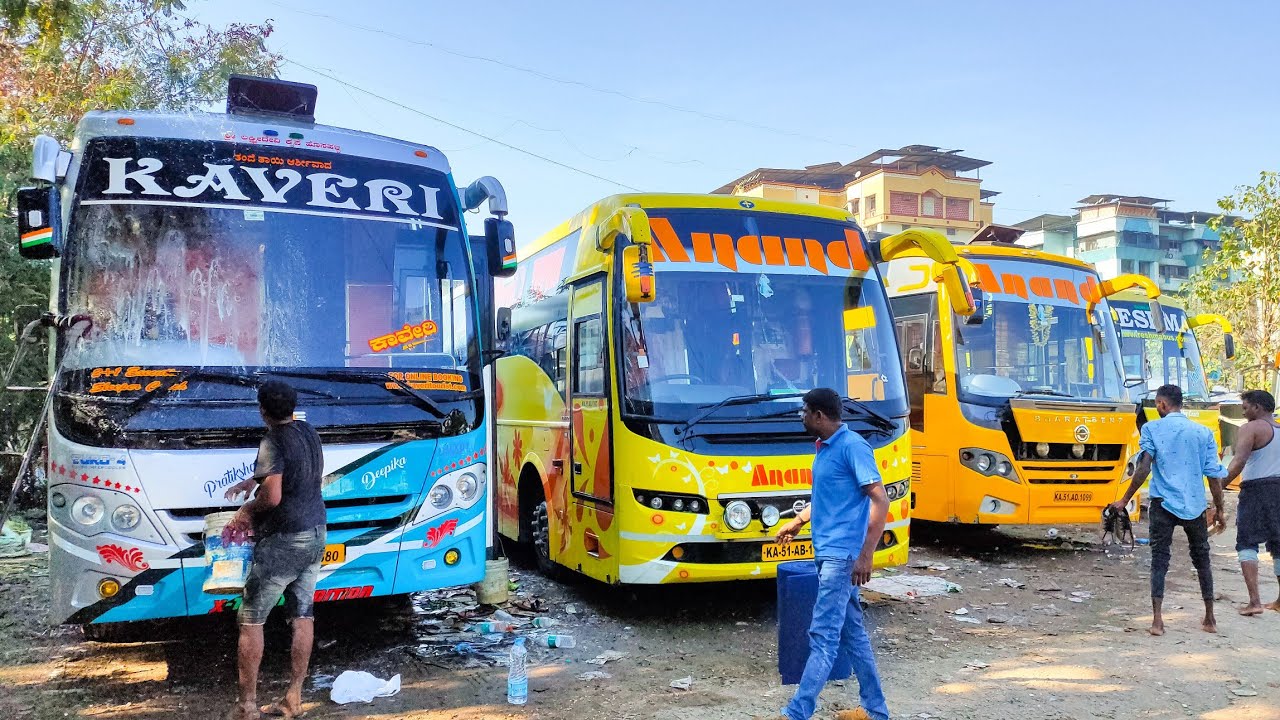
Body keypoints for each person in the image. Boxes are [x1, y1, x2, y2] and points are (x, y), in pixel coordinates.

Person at [766, 388, 890, 720]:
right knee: (853, 635)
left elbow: (881, 500)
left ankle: (797, 712)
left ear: (819, 416)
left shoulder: (853, 447)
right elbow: (828, 497)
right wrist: (797, 521)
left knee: (822, 637)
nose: (801, 417)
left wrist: (866, 555)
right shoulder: (825, 449)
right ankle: (876, 711)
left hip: (841, 558)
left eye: (804, 411)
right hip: (829, 554)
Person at [223, 381, 327, 720]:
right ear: (293, 408)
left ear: (262, 410)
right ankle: (293, 698)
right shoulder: (307, 431)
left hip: (285, 539)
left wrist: (246, 511)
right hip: (316, 533)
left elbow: (273, 497)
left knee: (251, 619)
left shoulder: (272, 440)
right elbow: (284, 471)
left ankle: (246, 707)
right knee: (302, 614)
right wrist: (250, 481)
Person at [1111, 384, 1227, 635]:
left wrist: (1124, 499)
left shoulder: (1152, 428)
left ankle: (1157, 621)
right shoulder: (1202, 433)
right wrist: (1219, 509)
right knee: (1202, 559)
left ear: (1162, 404)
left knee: (1159, 560)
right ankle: (1209, 618)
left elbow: (1143, 468)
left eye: (1157, 404)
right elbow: (1214, 477)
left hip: (1162, 504)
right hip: (1194, 504)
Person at [1222, 389, 1280, 616]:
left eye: (1245, 408)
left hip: (1257, 490)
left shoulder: (1250, 429)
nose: (1244, 413)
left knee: (1246, 543)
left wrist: (1219, 485)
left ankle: (1254, 601)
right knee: (1278, 546)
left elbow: (1238, 462)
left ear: (1257, 407)